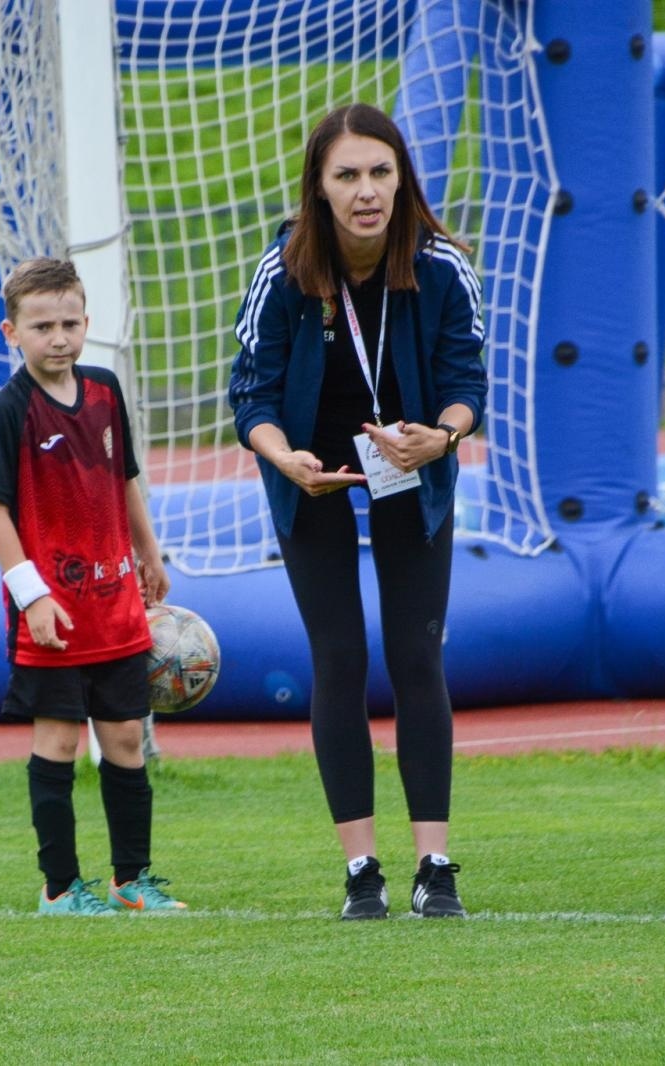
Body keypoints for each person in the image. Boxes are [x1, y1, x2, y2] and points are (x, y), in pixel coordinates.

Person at [228, 103, 488, 919]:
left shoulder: (442, 265)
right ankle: (361, 873)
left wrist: (438, 440)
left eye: (381, 171)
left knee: (418, 658)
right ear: (320, 188)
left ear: (402, 177)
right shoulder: (285, 267)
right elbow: (252, 393)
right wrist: (284, 460)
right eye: (347, 175)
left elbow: (466, 386)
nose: (367, 190)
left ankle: (435, 866)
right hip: (313, 472)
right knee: (338, 658)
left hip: (413, 462)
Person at [0, 256, 185, 916]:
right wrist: (31, 595)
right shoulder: (9, 411)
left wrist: (148, 552)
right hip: (53, 615)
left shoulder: (104, 391)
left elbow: (124, 479)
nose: (59, 338)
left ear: (87, 322)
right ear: (12, 331)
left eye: (69, 323)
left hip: (115, 604)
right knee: (60, 741)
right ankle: (61, 887)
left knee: (124, 739)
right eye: (42, 326)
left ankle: (132, 879)